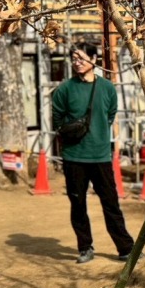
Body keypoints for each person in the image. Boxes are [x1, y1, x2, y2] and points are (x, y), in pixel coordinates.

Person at [52, 43, 134, 264]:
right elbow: (57, 121)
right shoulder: (64, 89)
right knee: (78, 205)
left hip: (101, 156)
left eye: (81, 58)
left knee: (111, 203)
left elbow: (110, 114)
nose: (76, 62)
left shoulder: (107, 88)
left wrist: (96, 134)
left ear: (94, 59)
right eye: (73, 58)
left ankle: (126, 248)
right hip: (74, 156)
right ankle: (85, 247)